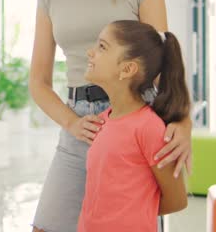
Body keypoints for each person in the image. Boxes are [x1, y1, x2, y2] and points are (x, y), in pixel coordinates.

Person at [30, 0, 193, 232]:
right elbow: (38, 82)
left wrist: (183, 123)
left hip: (136, 117)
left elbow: (163, 64)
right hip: (81, 123)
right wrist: (72, 123)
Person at [79, 20, 190, 231]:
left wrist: (131, 214)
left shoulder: (149, 127)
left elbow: (177, 200)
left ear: (127, 69)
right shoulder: (102, 121)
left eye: (102, 47)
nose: (90, 52)